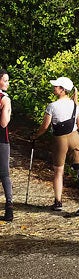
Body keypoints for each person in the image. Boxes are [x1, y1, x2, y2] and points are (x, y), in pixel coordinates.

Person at [32, 77, 79, 216]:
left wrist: (35, 136)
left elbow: (44, 127)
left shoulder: (52, 106)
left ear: (62, 90)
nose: (54, 88)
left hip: (60, 140)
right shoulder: (76, 105)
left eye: (56, 86)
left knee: (58, 172)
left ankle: (58, 202)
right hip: (75, 137)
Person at [0, 69, 13, 221]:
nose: (7, 83)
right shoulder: (4, 99)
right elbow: (3, 123)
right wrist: (8, 112)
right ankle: (9, 208)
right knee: (4, 174)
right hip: (1, 139)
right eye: (5, 80)